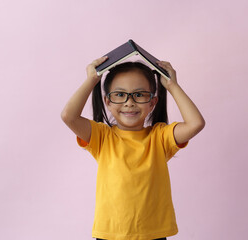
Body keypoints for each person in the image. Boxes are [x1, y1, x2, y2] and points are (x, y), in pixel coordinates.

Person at [61, 56, 205, 240]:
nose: (129, 102)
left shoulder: (160, 137)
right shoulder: (102, 137)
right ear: (108, 101)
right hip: (110, 235)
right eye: (120, 94)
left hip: (153, 234)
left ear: (153, 102)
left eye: (139, 94)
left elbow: (195, 123)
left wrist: (171, 86)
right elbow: (68, 116)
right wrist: (91, 80)